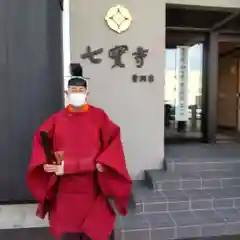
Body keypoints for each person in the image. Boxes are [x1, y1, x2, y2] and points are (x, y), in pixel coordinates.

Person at [27, 63, 132, 240]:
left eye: (80, 90)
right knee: (68, 233)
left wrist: (100, 162)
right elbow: (41, 141)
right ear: (66, 94)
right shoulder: (55, 120)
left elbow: (112, 143)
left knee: (94, 231)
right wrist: (47, 163)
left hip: (92, 189)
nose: (76, 93)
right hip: (64, 192)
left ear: (86, 94)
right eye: (73, 90)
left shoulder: (99, 117)